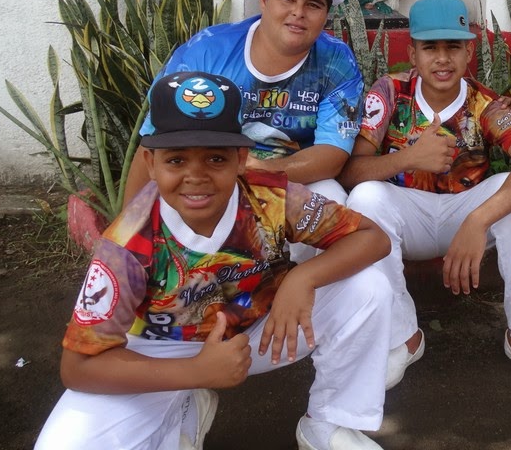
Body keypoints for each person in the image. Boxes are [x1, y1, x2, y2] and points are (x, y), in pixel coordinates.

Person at [36, 71, 393, 450]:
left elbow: (372, 237)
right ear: (150, 163)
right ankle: (185, 407)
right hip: (158, 347)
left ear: (241, 159)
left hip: (260, 326)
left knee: (368, 287)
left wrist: (302, 278)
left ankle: (329, 424)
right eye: (176, 160)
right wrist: (196, 372)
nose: (196, 176)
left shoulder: (270, 197)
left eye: (215, 158)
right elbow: (78, 367)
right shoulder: (126, 243)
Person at [339, 0, 511, 394]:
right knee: (365, 198)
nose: (442, 59)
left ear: (469, 53)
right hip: (408, 215)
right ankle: (404, 337)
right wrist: (409, 158)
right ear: (412, 53)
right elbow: (350, 172)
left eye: (453, 47)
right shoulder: (390, 92)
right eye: (430, 47)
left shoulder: (487, 104)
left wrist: (478, 220)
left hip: (465, 216)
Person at [125, 0, 363, 265]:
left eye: (313, 4)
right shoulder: (208, 51)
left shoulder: (337, 61)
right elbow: (154, 140)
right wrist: (124, 234)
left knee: (331, 196)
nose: (298, 12)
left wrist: (262, 170)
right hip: (212, 175)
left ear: (325, 15)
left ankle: (299, 286)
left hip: (289, 180)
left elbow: (332, 155)